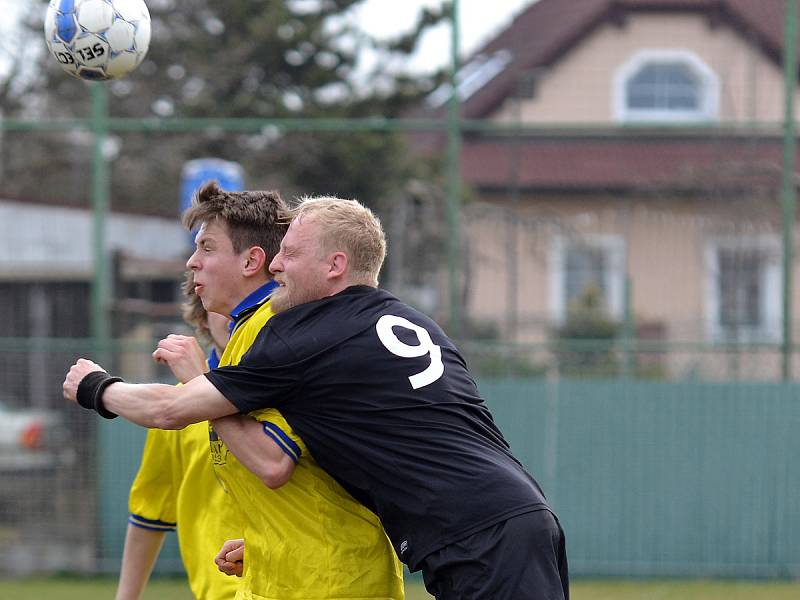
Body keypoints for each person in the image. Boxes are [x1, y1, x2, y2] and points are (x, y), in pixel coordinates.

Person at [64, 196, 569, 600]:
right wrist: (272, 540)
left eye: (291, 253)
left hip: (473, 539)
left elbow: (175, 411)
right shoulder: (409, 321)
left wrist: (95, 387)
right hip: (509, 519)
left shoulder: (303, 335)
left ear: (335, 265)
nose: (277, 264)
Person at [109, 182, 404, 599]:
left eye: (207, 247)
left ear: (252, 260)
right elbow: (151, 511)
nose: (192, 263)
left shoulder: (281, 333)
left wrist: (97, 387)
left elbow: (272, 463)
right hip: (271, 579)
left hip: (329, 584)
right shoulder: (257, 340)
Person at [117, 273, 237, 600]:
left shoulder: (295, 389)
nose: (234, 314)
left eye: (247, 302)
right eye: (221, 304)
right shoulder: (175, 406)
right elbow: (150, 512)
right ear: (201, 314)